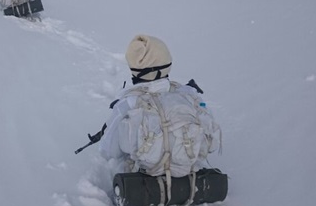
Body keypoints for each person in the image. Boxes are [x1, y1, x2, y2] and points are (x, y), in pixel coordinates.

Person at [93, 34, 221, 175]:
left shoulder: (129, 102)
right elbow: (212, 142)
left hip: (144, 181)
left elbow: (109, 151)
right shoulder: (190, 95)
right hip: (190, 176)